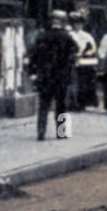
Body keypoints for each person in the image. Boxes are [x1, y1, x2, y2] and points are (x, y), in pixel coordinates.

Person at [31, 11, 78, 141]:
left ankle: (41, 132)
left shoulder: (41, 36)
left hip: (45, 77)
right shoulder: (67, 37)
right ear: (62, 22)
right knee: (61, 105)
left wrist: (33, 72)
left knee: (43, 106)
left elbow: (33, 57)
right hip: (61, 77)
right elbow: (73, 56)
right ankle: (62, 133)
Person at [68, 9, 99, 111]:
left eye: (80, 23)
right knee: (72, 82)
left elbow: (93, 48)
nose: (78, 26)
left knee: (83, 83)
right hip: (71, 61)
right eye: (76, 23)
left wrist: (87, 53)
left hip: (83, 63)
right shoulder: (69, 34)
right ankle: (72, 103)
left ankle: (81, 103)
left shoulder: (86, 36)